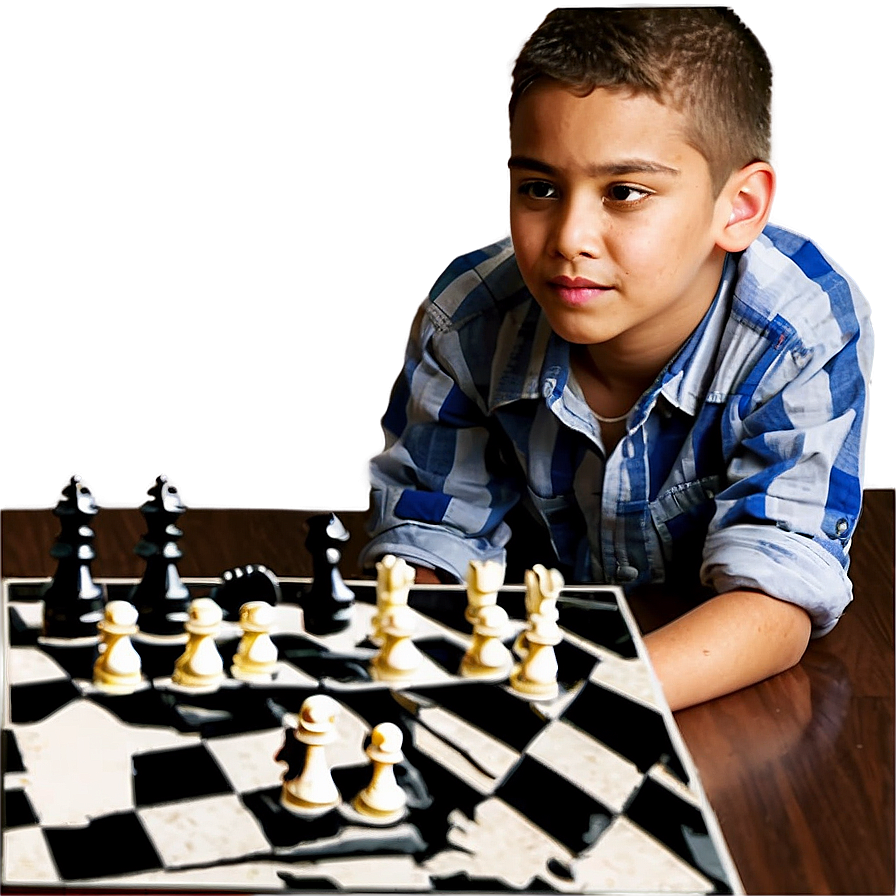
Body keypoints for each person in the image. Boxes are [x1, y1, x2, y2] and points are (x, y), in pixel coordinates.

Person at [358, 7, 873, 710]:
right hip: (523, 645)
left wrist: (583, 696)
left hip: (685, 682)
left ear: (740, 206)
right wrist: (430, 662)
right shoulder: (469, 320)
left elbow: (776, 595)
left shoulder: (801, 328)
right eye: (539, 188)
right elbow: (429, 539)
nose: (569, 237)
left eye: (624, 193)